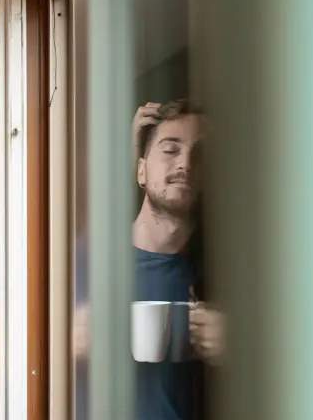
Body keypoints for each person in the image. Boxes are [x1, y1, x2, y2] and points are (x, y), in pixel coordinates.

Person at [130, 99, 223, 420]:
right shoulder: (91, 265)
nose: (185, 164)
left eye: (200, 154)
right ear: (141, 169)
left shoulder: (230, 276)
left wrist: (242, 351)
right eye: (171, 150)